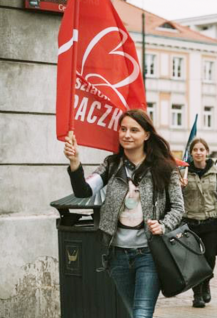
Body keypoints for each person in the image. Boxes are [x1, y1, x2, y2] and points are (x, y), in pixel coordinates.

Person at [63, 109, 184, 318]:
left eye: (134, 130)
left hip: (149, 253)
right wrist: (75, 162)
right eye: (123, 129)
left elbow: (178, 208)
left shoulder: (164, 167)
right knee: (133, 312)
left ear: (146, 135)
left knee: (141, 314)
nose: (127, 134)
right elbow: (83, 191)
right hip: (117, 254)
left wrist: (163, 225)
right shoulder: (111, 164)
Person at [180, 137, 217, 308]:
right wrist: (179, 185)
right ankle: (197, 294)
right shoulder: (183, 172)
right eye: (195, 150)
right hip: (190, 223)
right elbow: (174, 198)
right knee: (195, 260)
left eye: (201, 149)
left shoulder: (216, 171)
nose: (198, 152)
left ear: (207, 152)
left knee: (210, 258)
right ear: (191, 153)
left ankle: (206, 283)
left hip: (212, 222)